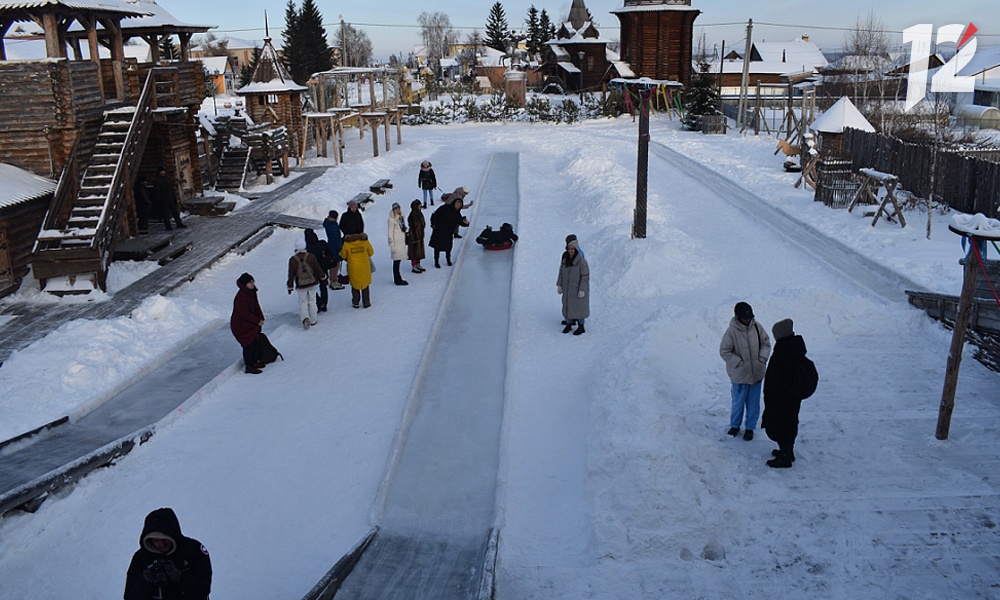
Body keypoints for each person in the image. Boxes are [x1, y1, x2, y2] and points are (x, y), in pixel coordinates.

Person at [762, 319, 818, 468]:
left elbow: (775, 378)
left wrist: (769, 394)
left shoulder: (783, 352)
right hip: (792, 396)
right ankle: (787, 451)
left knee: (780, 424)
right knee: (790, 422)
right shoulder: (794, 347)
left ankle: (785, 456)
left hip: (781, 397)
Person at [123, 507, 211, 600]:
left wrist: (180, 577)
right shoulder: (141, 558)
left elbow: (203, 591)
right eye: (156, 540)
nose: (161, 544)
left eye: (165, 539)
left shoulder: (193, 550)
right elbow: (130, 597)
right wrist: (145, 581)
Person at [719, 301, 771, 441]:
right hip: (740, 376)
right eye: (744, 317)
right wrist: (739, 363)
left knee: (754, 404)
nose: (747, 320)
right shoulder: (731, 332)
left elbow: (766, 342)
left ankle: (750, 428)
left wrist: (762, 358)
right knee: (738, 402)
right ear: (738, 316)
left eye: (749, 317)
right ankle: (735, 425)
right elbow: (724, 351)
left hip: (756, 373)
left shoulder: (756, 326)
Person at [230, 272, 266, 374]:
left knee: (254, 342)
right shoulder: (241, 296)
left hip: (249, 323)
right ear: (245, 284)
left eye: (253, 282)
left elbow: (256, 306)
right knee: (248, 345)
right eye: (250, 282)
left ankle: (254, 362)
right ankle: (249, 366)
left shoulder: (251, 293)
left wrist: (260, 317)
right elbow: (244, 313)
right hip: (241, 325)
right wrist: (257, 320)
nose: (252, 284)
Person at [287, 238, 327, 329]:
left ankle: (305, 318)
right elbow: (317, 268)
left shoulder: (293, 260)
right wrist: (323, 276)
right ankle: (313, 320)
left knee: (303, 302)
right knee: (312, 300)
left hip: (301, 285)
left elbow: (291, 275)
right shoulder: (311, 256)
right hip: (313, 282)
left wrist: (290, 286)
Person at [556, 236, 590, 335]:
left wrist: (582, 289)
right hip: (567, 288)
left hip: (577, 288)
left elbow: (585, 276)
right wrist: (560, 284)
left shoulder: (582, 262)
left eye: (572, 249)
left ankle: (581, 326)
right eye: (569, 249)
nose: (570, 251)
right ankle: (569, 323)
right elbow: (561, 272)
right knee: (567, 305)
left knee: (578, 307)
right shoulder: (565, 260)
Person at [428, 195, 469, 268]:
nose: (458, 206)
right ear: (454, 203)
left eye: (460, 205)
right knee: (437, 247)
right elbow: (435, 214)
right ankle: (436, 261)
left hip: (448, 233)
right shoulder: (445, 208)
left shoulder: (457, 214)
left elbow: (460, 222)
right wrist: (433, 224)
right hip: (439, 230)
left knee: (448, 247)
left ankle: (448, 259)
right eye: (457, 204)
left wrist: (466, 223)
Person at [304, 228, 335, 312]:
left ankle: (318, 301)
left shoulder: (306, 249)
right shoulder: (322, 243)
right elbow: (331, 253)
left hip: (312, 271)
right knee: (323, 286)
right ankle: (324, 304)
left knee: (311, 288)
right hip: (323, 268)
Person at [340, 232, 375, 308]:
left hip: (353, 267)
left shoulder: (346, 244)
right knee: (365, 284)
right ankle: (366, 302)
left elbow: (343, 255)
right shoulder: (365, 242)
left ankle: (355, 302)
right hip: (364, 266)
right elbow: (371, 252)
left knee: (355, 284)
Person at [387, 202, 409, 285]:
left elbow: (402, 228)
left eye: (398, 208)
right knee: (396, 261)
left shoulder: (401, 218)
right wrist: (392, 245)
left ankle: (398, 278)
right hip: (396, 243)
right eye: (395, 209)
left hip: (401, 242)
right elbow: (390, 233)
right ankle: (397, 279)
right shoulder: (391, 220)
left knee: (398, 261)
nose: (397, 210)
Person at [323, 210, 345, 290]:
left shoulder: (328, 223)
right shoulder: (333, 226)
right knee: (335, 264)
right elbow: (335, 239)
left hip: (331, 245)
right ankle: (333, 281)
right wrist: (340, 249)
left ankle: (332, 278)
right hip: (335, 248)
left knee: (334, 263)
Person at [407, 199, 427, 273]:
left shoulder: (419, 213)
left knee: (419, 250)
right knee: (414, 251)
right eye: (419, 205)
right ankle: (414, 265)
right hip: (414, 235)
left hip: (420, 235)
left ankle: (418, 264)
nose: (420, 207)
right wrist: (415, 234)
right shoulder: (412, 215)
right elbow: (413, 226)